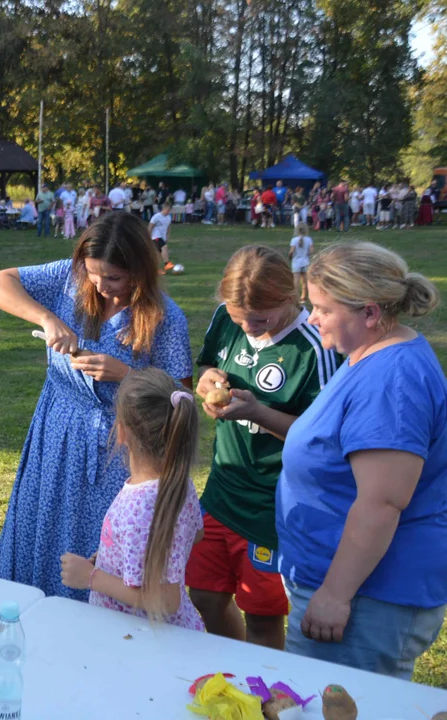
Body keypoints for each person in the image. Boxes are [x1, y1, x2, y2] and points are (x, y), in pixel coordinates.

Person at [0, 212, 193, 598]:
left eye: (114, 278)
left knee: (95, 539)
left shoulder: (166, 318)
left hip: (117, 447)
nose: (101, 285)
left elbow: (181, 397)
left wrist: (126, 374)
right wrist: (47, 318)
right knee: (42, 526)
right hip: (56, 432)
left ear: (140, 271)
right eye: (95, 274)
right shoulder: (70, 278)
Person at [277, 241, 447, 680]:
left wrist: (335, 594)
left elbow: (382, 503)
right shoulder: (371, 354)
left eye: (321, 308)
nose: (311, 319)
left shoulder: (392, 380)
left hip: (367, 600)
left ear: (369, 313)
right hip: (352, 589)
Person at [187, 245, 339, 651]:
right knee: (204, 594)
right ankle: (237, 671)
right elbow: (205, 368)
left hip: (274, 506)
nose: (249, 327)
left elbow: (322, 441)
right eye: (240, 319)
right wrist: (207, 380)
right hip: (222, 489)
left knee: (263, 616)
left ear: (292, 296)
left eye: (260, 319)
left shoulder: (314, 347)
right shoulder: (226, 318)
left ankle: (261, 697)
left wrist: (257, 411)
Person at [60, 368, 204, 629]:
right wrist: (112, 557)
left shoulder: (138, 507)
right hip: (161, 633)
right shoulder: (178, 483)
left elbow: (166, 600)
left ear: (122, 431)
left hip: (139, 639)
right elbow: (193, 535)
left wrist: (91, 577)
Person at [290, 222, 313, 303]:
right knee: (304, 281)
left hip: (296, 263)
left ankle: (296, 297)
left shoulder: (294, 240)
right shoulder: (309, 239)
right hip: (305, 262)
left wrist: (290, 256)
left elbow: (291, 251)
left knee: (296, 282)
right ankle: (304, 297)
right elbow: (311, 251)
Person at [149, 204, 174, 274]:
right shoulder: (156, 217)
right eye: (167, 210)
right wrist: (148, 237)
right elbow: (150, 227)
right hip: (155, 237)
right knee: (164, 247)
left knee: (158, 254)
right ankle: (167, 264)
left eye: (169, 211)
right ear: (164, 208)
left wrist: (167, 237)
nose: (168, 212)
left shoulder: (168, 217)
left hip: (162, 237)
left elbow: (168, 228)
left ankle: (156, 269)